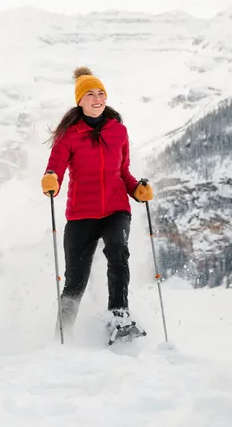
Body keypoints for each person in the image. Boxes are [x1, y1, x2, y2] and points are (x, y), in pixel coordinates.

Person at [41, 66, 154, 335]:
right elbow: (55, 168)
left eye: (101, 93)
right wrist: (51, 180)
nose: (97, 98)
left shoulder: (119, 131)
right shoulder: (69, 135)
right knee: (75, 281)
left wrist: (137, 190)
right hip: (81, 214)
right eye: (90, 94)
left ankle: (120, 316)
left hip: (116, 209)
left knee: (118, 251)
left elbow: (123, 173)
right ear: (79, 101)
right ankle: (63, 333)